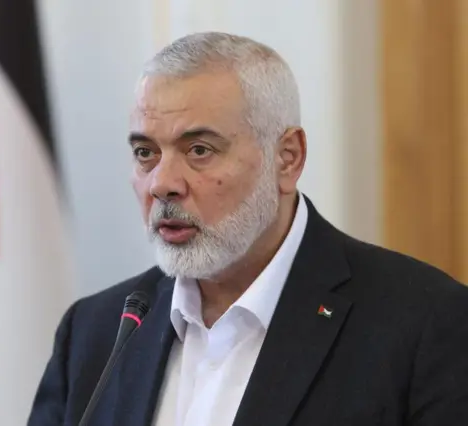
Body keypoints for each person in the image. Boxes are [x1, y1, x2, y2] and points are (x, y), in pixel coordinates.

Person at [27, 32, 468, 426]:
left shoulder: (423, 324)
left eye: (199, 150)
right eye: (146, 153)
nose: (162, 183)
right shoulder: (95, 333)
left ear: (287, 158)